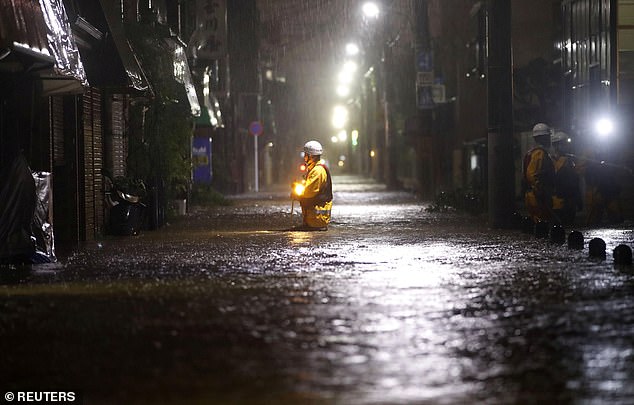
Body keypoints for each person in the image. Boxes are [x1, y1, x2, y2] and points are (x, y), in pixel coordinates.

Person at [290, 140, 333, 230]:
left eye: (306, 155)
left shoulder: (317, 171)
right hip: (314, 220)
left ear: (311, 156)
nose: (304, 157)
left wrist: (296, 194)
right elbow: (310, 186)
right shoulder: (315, 169)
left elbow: (308, 193)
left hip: (317, 220)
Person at [522, 123, 556, 223]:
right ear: (543, 138)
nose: (549, 139)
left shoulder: (531, 153)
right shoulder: (539, 153)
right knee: (542, 224)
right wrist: (539, 189)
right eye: (548, 137)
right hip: (538, 196)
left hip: (533, 195)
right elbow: (531, 174)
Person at [550, 131, 582, 225]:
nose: (567, 147)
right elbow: (574, 182)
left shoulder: (553, 160)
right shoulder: (564, 162)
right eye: (565, 144)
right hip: (563, 201)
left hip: (560, 201)